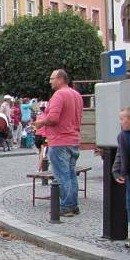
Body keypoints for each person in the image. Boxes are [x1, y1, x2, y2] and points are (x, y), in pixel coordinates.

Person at [33, 69, 83, 217]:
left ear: (61, 79)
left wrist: (40, 123)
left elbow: (53, 119)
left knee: (62, 175)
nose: (50, 81)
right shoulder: (76, 94)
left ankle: (66, 206)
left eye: (52, 78)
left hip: (60, 140)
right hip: (73, 139)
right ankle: (73, 205)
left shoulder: (59, 95)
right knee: (71, 174)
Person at [112, 105, 130, 251]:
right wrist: (116, 171)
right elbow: (120, 154)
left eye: (122, 119)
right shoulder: (123, 135)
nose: (120, 122)